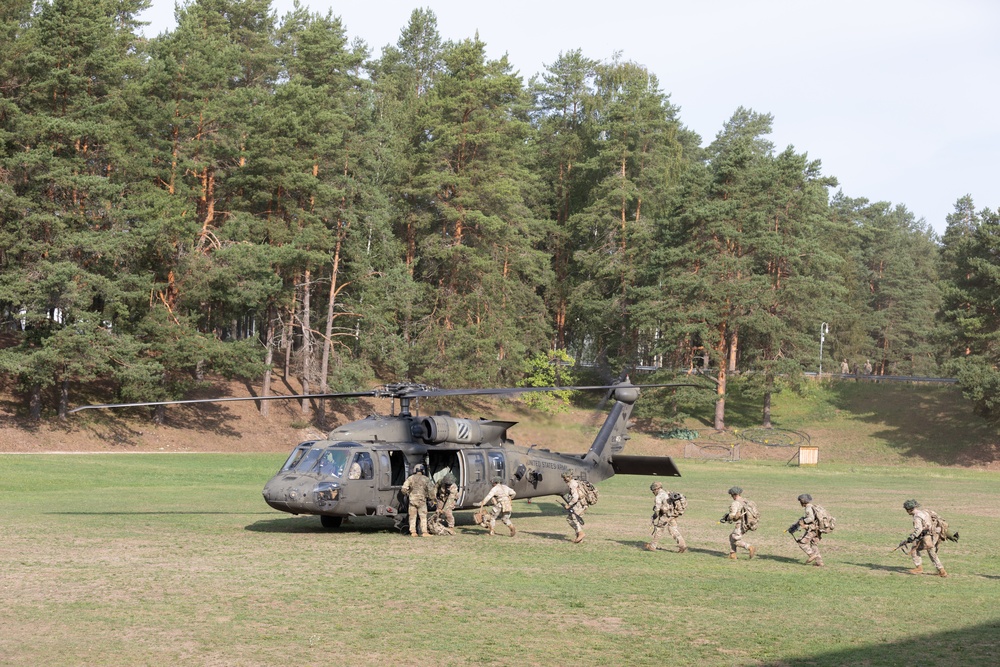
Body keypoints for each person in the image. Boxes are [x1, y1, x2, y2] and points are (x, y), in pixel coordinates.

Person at [900, 499, 947, 577]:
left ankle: (919, 568)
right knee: (931, 552)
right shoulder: (924, 512)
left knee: (914, 549)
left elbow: (919, 529)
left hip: (927, 536)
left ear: (909, 509)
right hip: (935, 534)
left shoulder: (917, 517)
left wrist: (910, 538)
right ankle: (942, 570)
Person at [645, 481, 686, 553]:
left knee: (659, 529)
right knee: (673, 529)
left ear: (656, 489)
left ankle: (652, 546)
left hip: (665, 516)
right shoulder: (667, 493)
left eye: (653, 490)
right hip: (673, 514)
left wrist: (654, 517)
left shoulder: (658, 496)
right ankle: (682, 545)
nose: (653, 492)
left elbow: (657, 510)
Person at [721, 486, 756, 560]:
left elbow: (732, 515)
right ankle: (732, 554)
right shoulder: (745, 501)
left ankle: (749, 547)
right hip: (748, 523)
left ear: (733, 494)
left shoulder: (735, 503)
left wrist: (727, 518)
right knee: (731, 536)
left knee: (735, 539)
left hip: (740, 524)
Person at [787, 493, 823, 566]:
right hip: (817, 530)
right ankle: (819, 563)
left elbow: (811, 518)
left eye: (800, 501)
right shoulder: (813, 506)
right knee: (814, 545)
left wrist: (803, 522)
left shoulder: (808, 508)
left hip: (812, 529)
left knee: (802, 543)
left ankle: (811, 555)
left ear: (803, 501)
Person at [400, 463, 434, 537]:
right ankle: (424, 532)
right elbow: (431, 490)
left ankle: (413, 532)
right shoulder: (426, 479)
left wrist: (408, 494)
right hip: (422, 500)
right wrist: (432, 499)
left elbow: (403, 489)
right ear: (423, 470)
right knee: (423, 517)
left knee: (412, 516)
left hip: (412, 500)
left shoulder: (410, 478)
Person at [562, 472, 587, 543]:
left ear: (568, 477)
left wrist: (569, 505)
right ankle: (579, 538)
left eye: (564, 478)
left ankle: (580, 534)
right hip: (582, 503)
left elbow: (575, 497)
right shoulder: (575, 482)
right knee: (574, 519)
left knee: (572, 519)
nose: (564, 479)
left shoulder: (572, 484)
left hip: (579, 504)